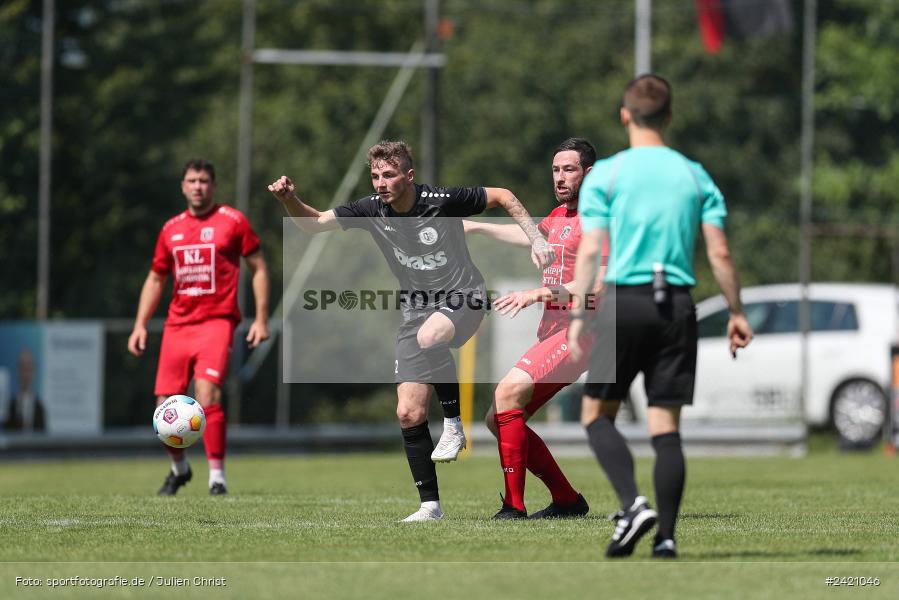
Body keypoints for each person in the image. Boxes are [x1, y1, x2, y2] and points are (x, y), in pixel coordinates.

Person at [269, 140, 553, 522]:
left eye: (389, 175)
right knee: (408, 411)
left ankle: (453, 425)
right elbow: (313, 223)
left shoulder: (440, 200)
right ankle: (430, 506)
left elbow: (502, 195)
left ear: (409, 175)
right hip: (416, 310)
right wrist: (290, 199)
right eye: (375, 176)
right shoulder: (371, 208)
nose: (380, 183)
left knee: (430, 336)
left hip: (466, 296)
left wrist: (536, 238)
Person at [567, 75, 753, 558]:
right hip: (676, 305)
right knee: (666, 428)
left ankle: (633, 506)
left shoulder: (606, 175)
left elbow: (590, 250)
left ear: (624, 115)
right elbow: (720, 254)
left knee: (595, 415)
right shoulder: (694, 175)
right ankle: (666, 539)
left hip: (624, 303)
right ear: (669, 117)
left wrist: (578, 316)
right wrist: (736, 311)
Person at [464, 138, 603, 519]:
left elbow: (597, 282)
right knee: (498, 417)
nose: (559, 177)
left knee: (507, 392)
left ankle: (513, 507)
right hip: (554, 331)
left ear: (589, 173)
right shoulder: (558, 215)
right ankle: (567, 500)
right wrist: (475, 227)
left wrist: (538, 293)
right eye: (556, 170)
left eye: (569, 169)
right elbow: (529, 236)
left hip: (582, 331)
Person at [128, 159, 270, 496]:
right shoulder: (170, 229)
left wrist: (261, 319)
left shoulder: (232, 221)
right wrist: (140, 325)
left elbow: (259, 268)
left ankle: (217, 478)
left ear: (214, 186)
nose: (198, 187)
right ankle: (180, 469)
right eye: (192, 181)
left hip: (216, 322)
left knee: (207, 394)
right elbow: (156, 278)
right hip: (178, 325)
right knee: (164, 405)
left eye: (204, 181)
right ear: (183, 186)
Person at [4, 349, 45, 432]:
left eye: (29, 368)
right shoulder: (9, 406)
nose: (25, 374)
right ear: (18, 370)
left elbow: (42, 435)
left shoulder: (40, 407)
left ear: (34, 371)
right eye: (23, 367)